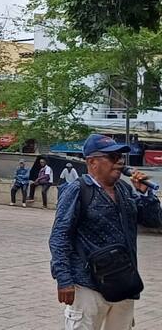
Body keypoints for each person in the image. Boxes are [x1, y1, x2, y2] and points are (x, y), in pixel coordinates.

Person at [50, 134, 162, 329]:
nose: (119, 162)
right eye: (112, 157)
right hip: (88, 285)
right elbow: (59, 237)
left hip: (124, 282)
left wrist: (146, 194)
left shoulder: (125, 190)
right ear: (92, 162)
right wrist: (64, 279)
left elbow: (154, 221)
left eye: (121, 157)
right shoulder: (78, 190)